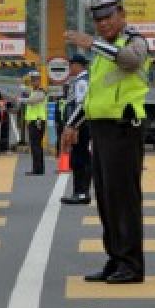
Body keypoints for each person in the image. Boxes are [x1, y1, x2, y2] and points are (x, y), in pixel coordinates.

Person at [62, 0, 150, 284]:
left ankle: (132, 265)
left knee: (124, 200)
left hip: (124, 129)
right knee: (106, 199)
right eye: (97, 20)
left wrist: (93, 44)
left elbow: (131, 62)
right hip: (101, 132)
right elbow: (93, 97)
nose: (103, 24)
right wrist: (72, 125)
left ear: (122, 15)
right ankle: (115, 259)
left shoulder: (134, 41)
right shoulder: (100, 53)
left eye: (108, 17)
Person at [60, 54, 92, 205]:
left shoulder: (81, 82)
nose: (70, 68)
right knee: (81, 158)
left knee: (79, 159)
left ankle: (81, 193)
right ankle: (80, 192)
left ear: (77, 65)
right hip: (80, 125)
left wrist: (72, 126)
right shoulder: (82, 80)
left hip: (80, 126)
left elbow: (81, 106)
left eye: (71, 64)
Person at [21, 70, 47, 175]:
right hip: (34, 121)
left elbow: (32, 100)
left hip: (37, 121)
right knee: (35, 146)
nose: (32, 82)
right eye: (31, 81)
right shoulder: (34, 91)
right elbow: (24, 86)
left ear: (38, 81)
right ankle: (38, 169)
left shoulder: (40, 92)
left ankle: (37, 170)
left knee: (36, 146)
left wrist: (21, 99)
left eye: (34, 80)